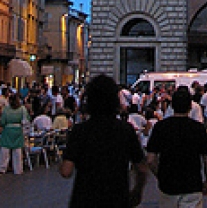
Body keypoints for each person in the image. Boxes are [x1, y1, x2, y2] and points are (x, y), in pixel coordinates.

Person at [60, 74, 148, 208]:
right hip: (117, 199)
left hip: (84, 200)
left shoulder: (80, 131)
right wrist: (137, 190)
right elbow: (141, 167)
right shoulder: (125, 130)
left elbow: (66, 171)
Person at [146, 86, 207, 207]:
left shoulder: (161, 127)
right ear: (190, 107)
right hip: (192, 185)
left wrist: (160, 175)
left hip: (168, 185)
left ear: (172, 106)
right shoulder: (198, 129)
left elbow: (151, 159)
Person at [0, 92, 30, 175]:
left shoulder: (6, 109)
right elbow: (26, 120)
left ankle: (2, 168)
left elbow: (2, 121)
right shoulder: (22, 109)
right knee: (17, 151)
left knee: (4, 150)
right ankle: (18, 169)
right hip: (18, 130)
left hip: (7, 130)